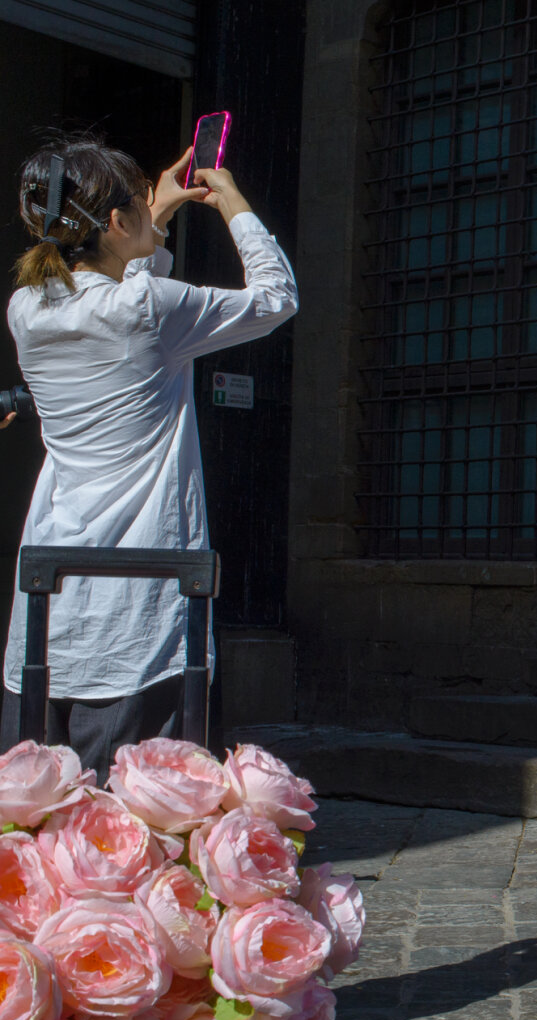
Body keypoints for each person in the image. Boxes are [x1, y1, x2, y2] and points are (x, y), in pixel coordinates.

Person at [0, 135, 297, 779]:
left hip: (52, 605)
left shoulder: (26, 309)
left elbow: (118, 299)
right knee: (129, 830)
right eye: (134, 202)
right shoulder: (150, 308)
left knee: (45, 833)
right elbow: (276, 298)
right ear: (112, 222)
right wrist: (233, 203)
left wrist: (153, 215)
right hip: (134, 610)